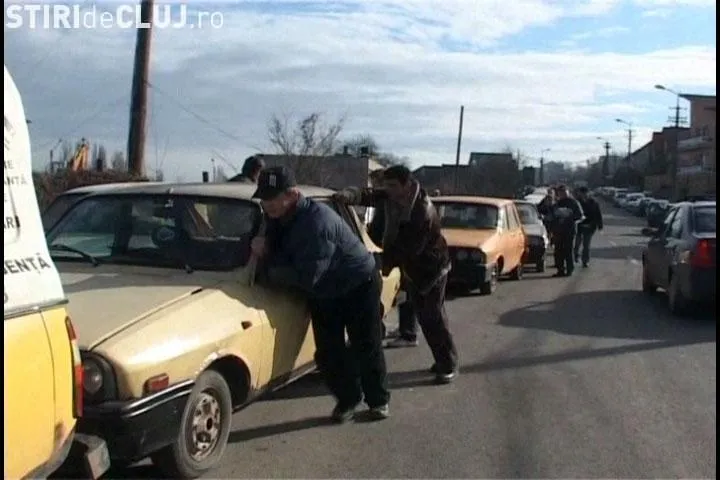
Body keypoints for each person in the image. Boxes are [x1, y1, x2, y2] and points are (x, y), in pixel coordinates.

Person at [250, 166, 390, 422]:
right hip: (325, 290)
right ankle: (349, 399)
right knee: (327, 353)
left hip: (358, 284)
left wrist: (267, 262)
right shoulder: (277, 216)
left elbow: (307, 276)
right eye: (263, 198)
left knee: (365, 345)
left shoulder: (316, 222)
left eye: (272, 198)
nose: (266, 204)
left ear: (292, 195)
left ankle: (378, 401)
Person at [333, 165, 459, 384]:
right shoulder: (391, 195)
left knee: (433, 317)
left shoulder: (422, 212)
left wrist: (374, 262)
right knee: (425, 316)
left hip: (431, 269)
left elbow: (407, 250)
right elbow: (371, 195)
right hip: (412, 268)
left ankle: (448, 364)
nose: (388, 189)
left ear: (407, 185)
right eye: (387, 185)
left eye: (393, 185)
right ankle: (442, 359)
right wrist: (350, 195)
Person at [364, 169, 420, 348]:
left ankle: (408, 333)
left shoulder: (409, 204)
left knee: (405, 293)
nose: (378, 187)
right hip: (387, 250)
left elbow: (386, 228)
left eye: (378, 183)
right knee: (396, 292)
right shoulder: (387, 198)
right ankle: (404, 329)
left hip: (401, 253)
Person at [550, 185, 584, 277]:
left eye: (564, 192)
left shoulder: (573, 203)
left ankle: (569, 270)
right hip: (558, 231)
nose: (562, 194)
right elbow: (552, 215)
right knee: (558, 251)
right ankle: (560, 270)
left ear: (568, 192)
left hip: (569, 230)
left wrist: (569, 217)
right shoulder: (557, 203)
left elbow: (580, 215)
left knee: (568, 251)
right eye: (560, 192)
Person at [574, 186, 603, 268]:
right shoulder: (577, 202)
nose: (584, 195)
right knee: (577, 243)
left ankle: (585, 261)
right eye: (582, 193)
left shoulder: (594, 203)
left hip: (590, 226)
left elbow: (598, 214)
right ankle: (575, 256)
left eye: (585, 193)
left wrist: (600, 225)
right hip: (579, 226)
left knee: (586, 245)